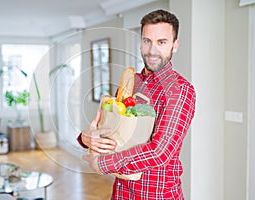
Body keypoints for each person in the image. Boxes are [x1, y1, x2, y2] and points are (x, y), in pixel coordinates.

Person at [78, 9, 196, 199]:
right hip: (122, 192)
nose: (152, 50)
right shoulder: (131, 83)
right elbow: (113, 130)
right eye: (147, 41)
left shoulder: (180, 90)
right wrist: (86, 138)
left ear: (175, 45)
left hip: (158, 194)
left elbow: (160, 152)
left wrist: (102, 164)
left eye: (162, 42)